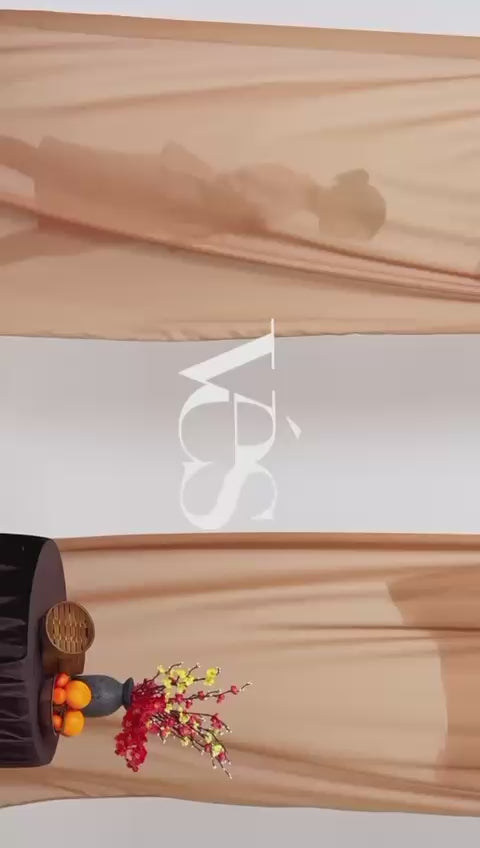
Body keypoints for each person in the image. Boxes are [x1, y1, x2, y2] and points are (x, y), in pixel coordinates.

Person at [0, 135, 386, 265]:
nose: (341, 233)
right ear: (345, 204)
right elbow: (229, 188)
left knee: (55, 238)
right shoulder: (292, 184)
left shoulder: (293, 202)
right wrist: (248, 219)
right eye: (349, 226)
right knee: (51, 166)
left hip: (160, 213)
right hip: (158, 189)